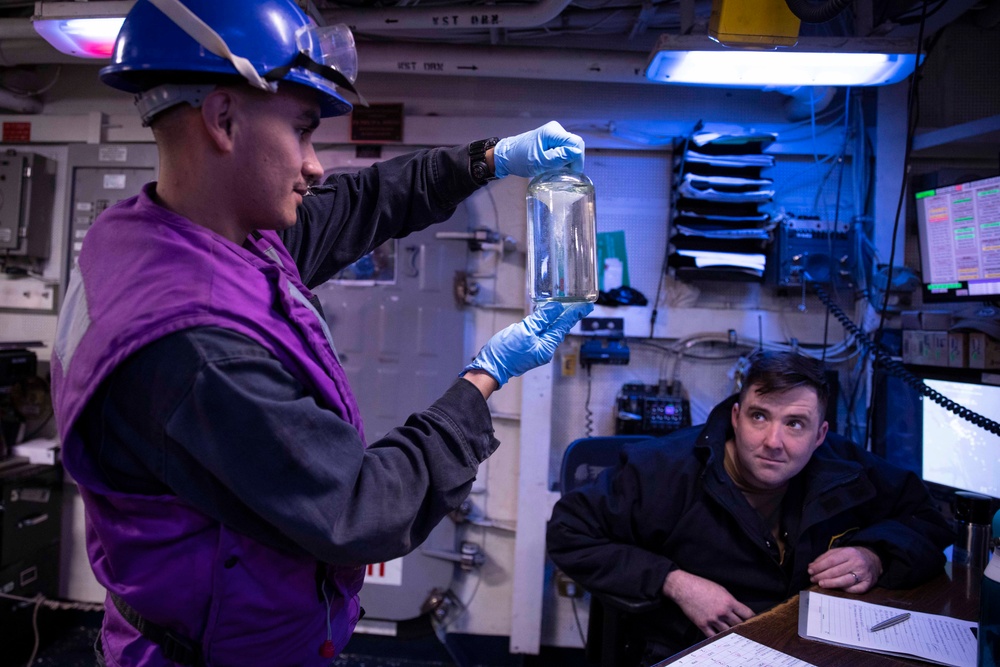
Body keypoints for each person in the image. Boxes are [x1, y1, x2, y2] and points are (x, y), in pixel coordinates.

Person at [50, 1, 593, 666]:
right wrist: (487, 373)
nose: (315, 165)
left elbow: (356, 206)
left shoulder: (180, 236)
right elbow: (363, 508)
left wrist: (485, 161)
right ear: (223, 119)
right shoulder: (193, 348)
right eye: (304, 132)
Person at [547, 351, 952, 666]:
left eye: (795, 424)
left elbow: (928, 517)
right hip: (691, 647)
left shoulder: (844, 467)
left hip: (810, 646)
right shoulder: (660, 470)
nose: (774, 440)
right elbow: (568, 533)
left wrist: (874, 554)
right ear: (737, 417)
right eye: (760, 416)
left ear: (819, 435)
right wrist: (675, 582)